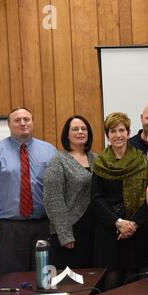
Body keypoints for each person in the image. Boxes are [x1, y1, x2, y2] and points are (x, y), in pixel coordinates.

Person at [0, 107, 56, 277]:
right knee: (10, 281)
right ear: (9, 125)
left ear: (32, 122)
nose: (22, 123)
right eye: (17, 120)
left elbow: (57, 190)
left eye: (26, 119)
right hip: (7, 230)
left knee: (43, 280)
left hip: (43, 227)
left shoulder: (49, 151)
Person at [91, 112, 148, 290]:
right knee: (111, 279)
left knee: (134, 279)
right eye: (113, 131)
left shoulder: (141, 160)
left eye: (121, 130)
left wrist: (133, 224)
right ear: (107, 135)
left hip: (137, 229)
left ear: (128, 132)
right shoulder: (100, 162)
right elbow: (95, 198)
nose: (118, 135)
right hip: (109, 230)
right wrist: (118, 222)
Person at [44, 115, 96, 269]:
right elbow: (53, 200)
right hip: (71, 231)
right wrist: (65, 234)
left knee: (94, 278)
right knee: (72, 282)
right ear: (67, 134)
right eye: (75, 129)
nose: (80, 132)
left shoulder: (96, 158)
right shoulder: (58, 160)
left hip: (94, 229)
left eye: (84, 129)